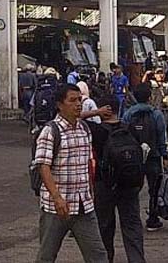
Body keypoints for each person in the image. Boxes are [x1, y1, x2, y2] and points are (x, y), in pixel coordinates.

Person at [33, 84, 108, 262]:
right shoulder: (50, 131)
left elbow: (88, 163)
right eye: (72, 100)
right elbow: (43, 165)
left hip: (84, 206)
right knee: (46, 256)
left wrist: (91, 191)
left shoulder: (84, 130)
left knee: (98, 255)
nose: (78, 105)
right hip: (57, 208)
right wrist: (57, 197)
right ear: (60, 105)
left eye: (79, 100)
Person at [89, 96, 145, 263]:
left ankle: (107, 258)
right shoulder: (130, 128)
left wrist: (94, 112)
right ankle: (137, 259)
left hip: (104, 183)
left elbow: (66, 117)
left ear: (102, 109)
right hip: (129, 182)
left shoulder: (96, 131)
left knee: (105, 225)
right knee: (132, 224)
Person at [121, 83, 168, 232]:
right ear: (150, 97)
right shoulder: (156, 114)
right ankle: (153, 219)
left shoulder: (128, 113)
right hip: (153, 156)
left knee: (132, 188)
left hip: (133, 158)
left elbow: (122, 133)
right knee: (154, 188)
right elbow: (162, 137)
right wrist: (165, 156)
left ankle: (131, 219)